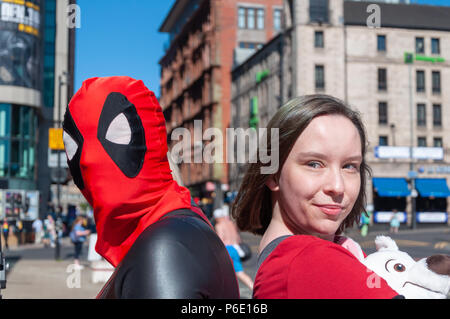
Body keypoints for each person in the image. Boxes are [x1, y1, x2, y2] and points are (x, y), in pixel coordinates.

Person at [62, 76, 239, 298]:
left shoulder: (166, 247)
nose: (87, 159)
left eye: (117, 132)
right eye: (72, 145)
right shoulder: (175, 230)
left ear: (151, 141)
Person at [232, 95, 403, 299]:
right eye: (314, 164)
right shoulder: (307, 259)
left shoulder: (286, 258)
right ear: (272, 174)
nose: (337, 187)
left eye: (350, 166)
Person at [214, 198, 254, 290]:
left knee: (229, 273)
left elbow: (221, 239)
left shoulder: (219, 225)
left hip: (228, 249)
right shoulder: (230, 223)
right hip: (236, 248)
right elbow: (238, 237)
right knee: (237, 272)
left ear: (217, 217)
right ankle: (252, 288)